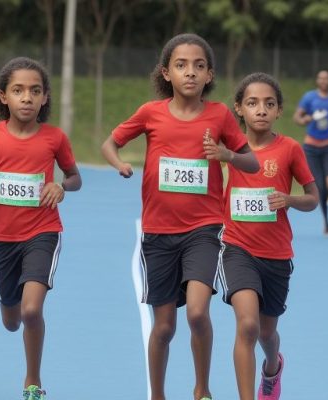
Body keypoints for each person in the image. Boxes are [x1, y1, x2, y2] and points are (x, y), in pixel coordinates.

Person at [101, 33, 258, 400]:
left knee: (198, 314)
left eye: (198, 66)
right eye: (181, 65)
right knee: (164, 327)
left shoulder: (219, 115)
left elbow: (250, 160)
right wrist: (119, 162)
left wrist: (227, 155)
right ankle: (157, 394)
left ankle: (201, 389)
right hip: (158, 234)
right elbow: (110, 143)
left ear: (209, 75)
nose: (190, 72)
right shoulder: (150, 113)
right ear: (166, 73)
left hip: (203, 231)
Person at [0, 57, 81, 400]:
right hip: (1, 237)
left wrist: (61, 187)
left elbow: (74, 177)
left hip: (43, 232)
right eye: (19, 90)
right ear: (4, 96)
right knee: (12, 318)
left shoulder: (55, 138)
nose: (27, 97)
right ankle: (6, 299)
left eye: (35, 91)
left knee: (31, 309)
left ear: (44, 98)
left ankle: (32, 382)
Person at [220, 73, 318, 400]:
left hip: (276, 256)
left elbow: (312, 197)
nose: (261, 109)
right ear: (239, 108)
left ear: (278, 111)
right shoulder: (230, 146)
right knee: (246, 325)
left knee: (266, 333)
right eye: (252, 103)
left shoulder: (289, 149)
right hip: (237, 249)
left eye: (269, 103)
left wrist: (289, 200)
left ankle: (273, 366)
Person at [293, 70, 328, 235]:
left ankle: (323, 199)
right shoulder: (309, 97)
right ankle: (327, 222)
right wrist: (305, 119)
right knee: (320, 186)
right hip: (311, 147)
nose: (323, 81)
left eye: (326, 78)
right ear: (317, 80)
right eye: (320, 78)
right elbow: (297, 117)